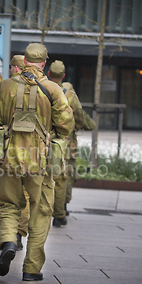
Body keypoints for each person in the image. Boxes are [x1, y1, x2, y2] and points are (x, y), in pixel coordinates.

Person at [0, 43, 74, 281]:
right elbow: (66, 125)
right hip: (41, 162)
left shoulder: (6, 86)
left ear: (25, 62)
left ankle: (9, 242)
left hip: (11, 159)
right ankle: (32, 270)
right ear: (44, 62)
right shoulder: (54, 90)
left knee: (9, 205)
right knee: (41, 212)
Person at [0, 55, 29, 251]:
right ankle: (17, 234)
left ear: (16, 68)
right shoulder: (41, 88)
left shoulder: (5, 86)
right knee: (24, 192)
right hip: (29, 151)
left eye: (11, 66)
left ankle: (3, 229)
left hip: (2, 149)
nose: (9, 69)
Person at [47, 60, 94, 227]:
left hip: (43, 141)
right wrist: (89, 125)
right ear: (64, 76)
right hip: (66, 143)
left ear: (48, 74)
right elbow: (80, 117)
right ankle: (61, 209)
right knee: (64, 176)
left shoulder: (40, 89)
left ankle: (45, 208)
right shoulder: (69, 95)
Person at [62, 81, 95, 213]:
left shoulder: (48, 92)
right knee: (68, 175)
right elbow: (88, 124)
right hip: (68, 145)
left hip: (48, 143)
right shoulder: (71, 98)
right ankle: (62, 207)